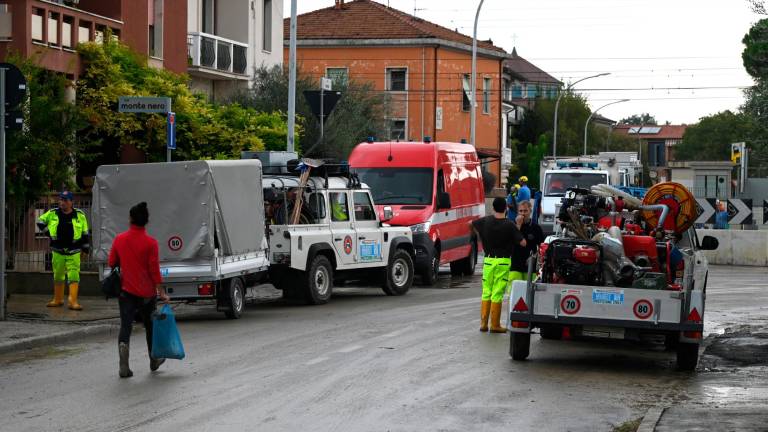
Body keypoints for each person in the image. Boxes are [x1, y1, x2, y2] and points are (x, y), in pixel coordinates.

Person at [108, 202, 169, 378]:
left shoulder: (119, 239)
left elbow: (112, 262)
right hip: (147, 293)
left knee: (125, 326)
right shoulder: (151, 243)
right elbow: (154, 270)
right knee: (150, 326)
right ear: (146, 221)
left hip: (126, 291)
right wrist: (161, 292)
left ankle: (124, 365)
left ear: (130, 219)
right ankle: (154, 359)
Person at [471, 197, 526, 333]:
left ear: (493, 208)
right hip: (503, 261)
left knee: (486, 291)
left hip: (488, 260)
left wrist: (479, 236)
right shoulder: (509, 224)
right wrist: (518, 227)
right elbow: (523, 242)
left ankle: (483, 323)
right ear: (506, 208)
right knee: (497, 292)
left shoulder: (485, 221)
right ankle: (495, 324)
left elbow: (470, 224)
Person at [36, 191, 90, 310]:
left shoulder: (80, 215)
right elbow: (40, 221)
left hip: (74, 251)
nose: (62, 202)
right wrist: (48, 233)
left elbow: (85, 233)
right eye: (61, 199)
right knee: (58, 275)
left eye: (65, 200)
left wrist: (85, 250)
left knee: (74, 275)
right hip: (57, 250)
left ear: (72, 202)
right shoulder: (53, 213)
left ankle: (73, 301)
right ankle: (58, 299)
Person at [510, 200, 545, 286]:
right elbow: (511, 241)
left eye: (525, 211)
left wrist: (535, 258)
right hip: (515, 265)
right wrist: (518, 225)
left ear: (530, 211)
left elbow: (541, 247)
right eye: (520, 211)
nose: (523, 213)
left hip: (530, 266)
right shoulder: (513, 226)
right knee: (515, 292)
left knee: (529, 292)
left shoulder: (536, 228)